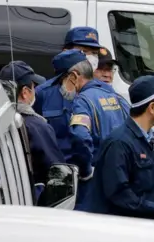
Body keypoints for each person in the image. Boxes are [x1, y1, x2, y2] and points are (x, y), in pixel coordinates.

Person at [86, 75, 154, 221]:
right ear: (152, 107)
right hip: (120, 230)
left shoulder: (146, 139)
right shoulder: (119, 143)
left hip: (140, 226)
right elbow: (118, 193)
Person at [64, 50, 130, 210]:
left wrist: (86, 170)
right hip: (122, 182)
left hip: (96, 184)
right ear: (91, 70)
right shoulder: (120, 100)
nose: (107, 74)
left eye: (110, 69)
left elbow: (80, 136)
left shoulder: (83, 101)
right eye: (102, 69)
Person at [33, 27, 104, 160]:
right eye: (84, 51)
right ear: (66, 52)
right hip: (57, 171)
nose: (90, 58)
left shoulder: (103, 92)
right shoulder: (43, 93)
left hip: (91, 170)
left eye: (94, 53)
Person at [0, 61, 64, 201]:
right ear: (25, 93)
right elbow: (57, 172)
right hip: (30, 204)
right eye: (34, 87)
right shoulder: (36, 127)